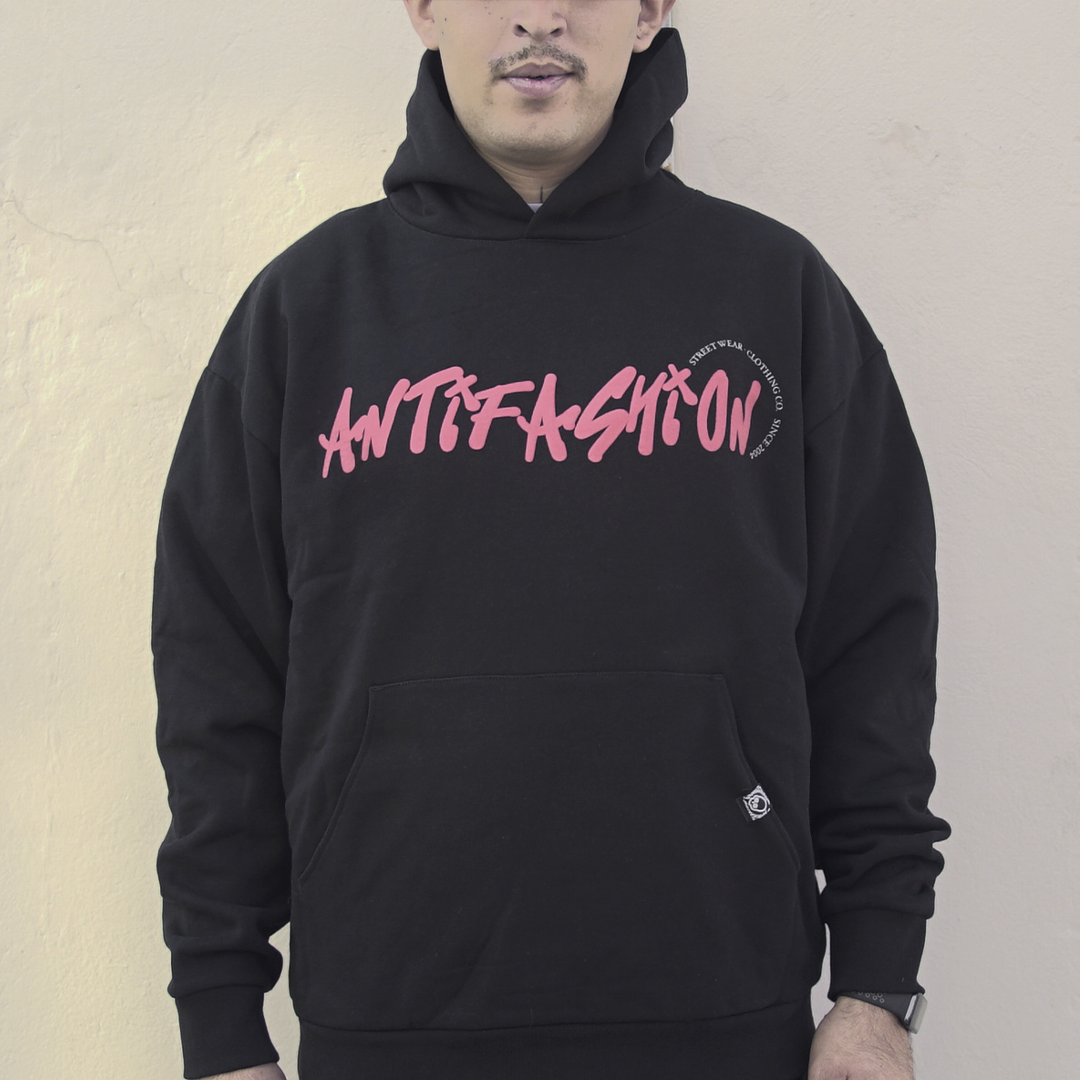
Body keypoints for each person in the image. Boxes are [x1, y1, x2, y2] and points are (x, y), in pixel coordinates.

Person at [153, 3, 950, 1079]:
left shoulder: (775, 293)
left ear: (650, 10)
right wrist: (219, 1019)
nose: (539, 15)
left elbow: (874, 648)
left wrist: (877, 985)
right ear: (425, 8)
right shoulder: (308, 310)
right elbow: (217, 673)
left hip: (722, 1015)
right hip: (388, 1024)